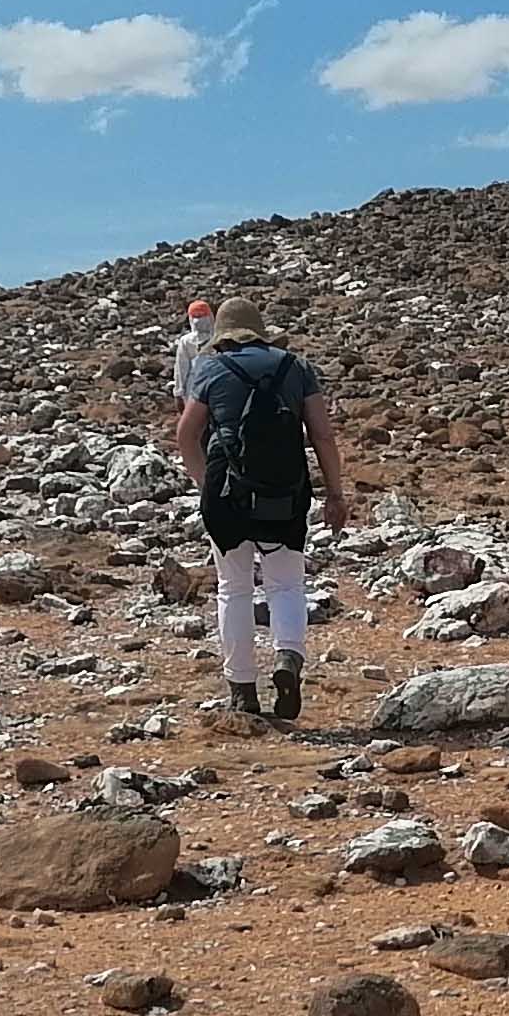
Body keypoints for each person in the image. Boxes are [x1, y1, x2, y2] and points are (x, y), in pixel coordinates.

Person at [174, 298, 351, 722]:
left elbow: (185, 435)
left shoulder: (210, 369)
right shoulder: (295, 367)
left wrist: (205, 485)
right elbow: (322, 437)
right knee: (286, 584)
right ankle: (288, 660)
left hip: (227, 494)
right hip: (285, 493)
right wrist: (336, 494)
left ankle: (242, 691)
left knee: (232, 588)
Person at [171, 298, 216, 407]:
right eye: (196, 316)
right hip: (209, 384)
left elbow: (181, 368)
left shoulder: (187, 341)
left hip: (199, 386)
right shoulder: (219, 337)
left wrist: (178, 392)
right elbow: (181, 367)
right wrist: (179, 392)